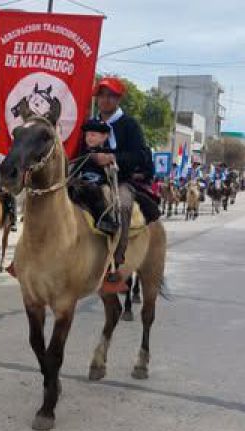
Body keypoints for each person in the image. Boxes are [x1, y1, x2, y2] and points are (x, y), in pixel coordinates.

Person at [94, 76, 155, 291]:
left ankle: (117, 263)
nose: (105, 100)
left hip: (121, 180)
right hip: (91, 178)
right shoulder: (91, 124)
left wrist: (112, 158)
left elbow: (139, 155)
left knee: (123, 205)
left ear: (118, 99)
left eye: (111, 95)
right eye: (102, 95)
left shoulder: (129, 125)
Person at [70, 119, 119, 235]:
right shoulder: (84, 154)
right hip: (82, 182)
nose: (89, 138)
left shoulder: (106, 153)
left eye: (93, 135)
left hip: (99, 183)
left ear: (104, 137)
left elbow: (112, 170)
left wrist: (109, 161)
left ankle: (105, 220)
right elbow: (75, 170)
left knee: (94, 191)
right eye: (87, 135)